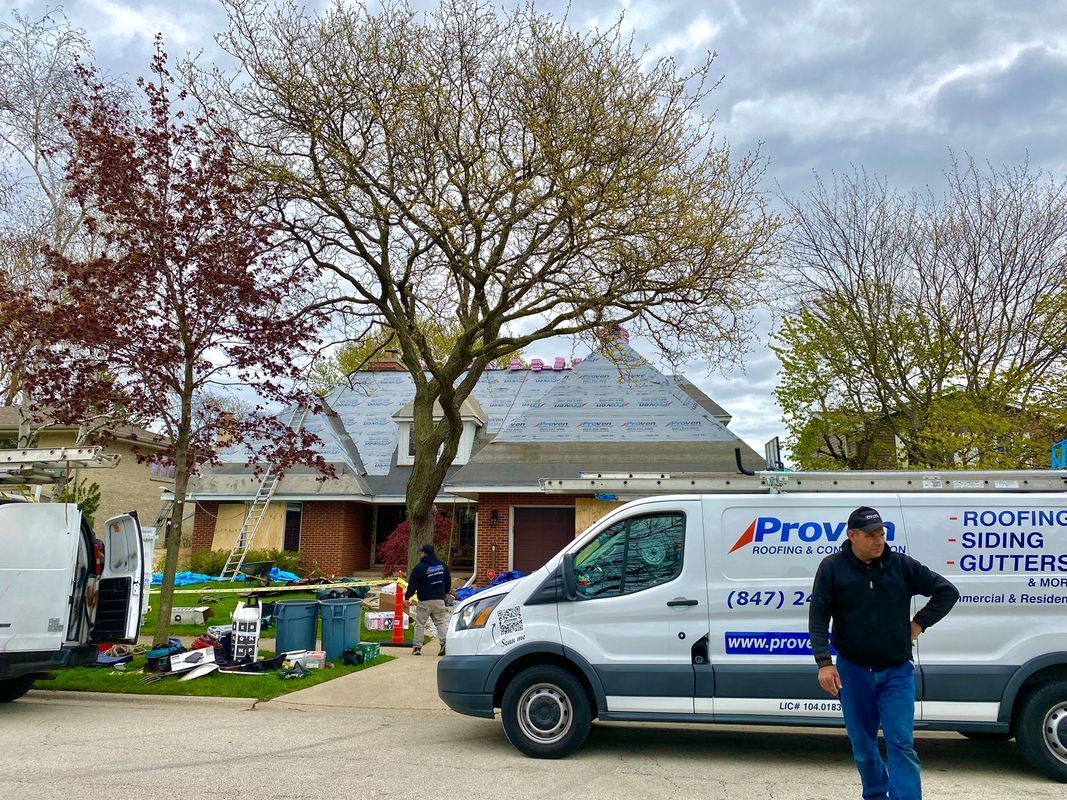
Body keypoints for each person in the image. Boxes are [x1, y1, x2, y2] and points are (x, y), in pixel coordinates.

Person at [809, 506, 959, 800]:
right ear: (852, 535)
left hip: (896, 672)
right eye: (870, 535)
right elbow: (818, 615)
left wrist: (918, 624)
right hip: (853, 672)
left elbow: (947, 591)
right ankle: (876, 794)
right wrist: (824, 663)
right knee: (863, 748)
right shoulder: (833, 567)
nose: (879, 541)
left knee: (901, 743)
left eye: (881, 534)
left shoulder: (901, 565)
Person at [405, 543, 452, 656]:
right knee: (440, 622)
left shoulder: (419, 567)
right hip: (439, 600)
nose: (420, 555)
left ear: (424, 553)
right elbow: (448, 580)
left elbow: (413, 584)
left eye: (421, 553)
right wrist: (446, 592)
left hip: (425, 601)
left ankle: (417, 648)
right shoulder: (442, 565)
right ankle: (445, 644)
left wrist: (407, 597)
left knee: (420, 624)